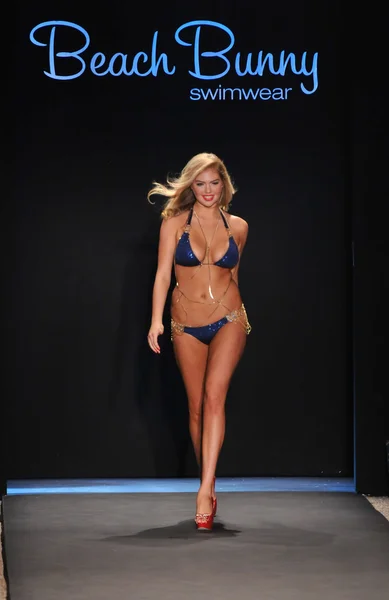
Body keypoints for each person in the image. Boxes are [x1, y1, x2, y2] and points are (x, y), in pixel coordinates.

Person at [147, 152, 251, 531]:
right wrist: (156, 321)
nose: (208, 191)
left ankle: (205, 490)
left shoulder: (238, 226)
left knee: (214, 397)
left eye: (214, 183)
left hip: (229, 319)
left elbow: (233, 276)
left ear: (224, 184)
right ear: (191, 186)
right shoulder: (174, 224)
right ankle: (208, 476)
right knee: (196, 408)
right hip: (185, 324)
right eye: (200, 183)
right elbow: (162, 275)